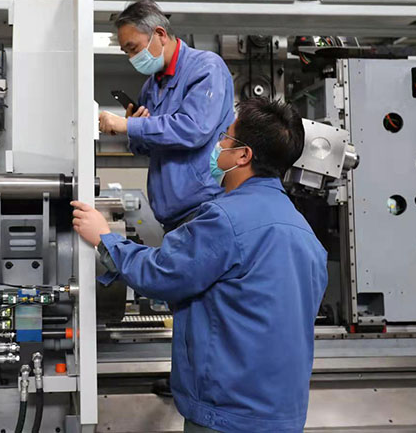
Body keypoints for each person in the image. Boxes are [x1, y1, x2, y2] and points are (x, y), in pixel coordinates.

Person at [72, 97, 328, 433]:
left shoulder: (224, 219)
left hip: (227, 415)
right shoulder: (305, 233)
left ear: (243, 155)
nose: (217, 145)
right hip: (284, 414)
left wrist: (105, 239)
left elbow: (160, 273)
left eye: (225, 137)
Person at [98, 0, 234, 232]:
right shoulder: (151, 86)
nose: (132, 58)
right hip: (171, 214)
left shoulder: (206, 68)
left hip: (204, 206)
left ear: (160, 34)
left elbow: (193, 130)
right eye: (126, 52)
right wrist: (135, 129)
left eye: (134, 48)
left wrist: (129, 126)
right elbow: (148, 148)